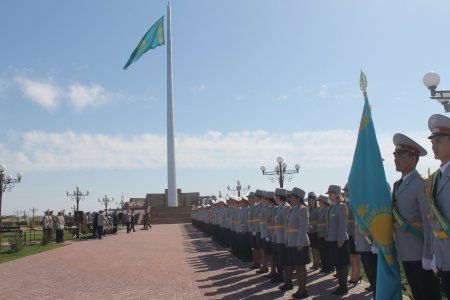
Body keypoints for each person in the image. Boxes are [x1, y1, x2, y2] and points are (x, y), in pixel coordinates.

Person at [391, 133, 441, 300]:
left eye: (400, 155)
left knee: (428, 293)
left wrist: (428, 254)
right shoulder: (397, 185)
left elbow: (428, 222)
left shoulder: (422, 184)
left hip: (420, 250)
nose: (395, 159)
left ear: (413, 159)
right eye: (395, 155)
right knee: (417, 292)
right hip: (405, 250)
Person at [427, 114, 450, 299]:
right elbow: (434, 221)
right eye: (433, 141)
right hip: (443, 255)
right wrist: (435, 255)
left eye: (439, 141)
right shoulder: (435, 178)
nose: (434, 145)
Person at [285, 187, 310, 299]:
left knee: (300, 267)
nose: (290, 199)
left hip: (300, 243)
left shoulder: (303, 209)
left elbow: (303, 227)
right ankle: (301, 288)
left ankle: (302, 290)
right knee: (298, 266)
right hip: (292, 242)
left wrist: (300, 243)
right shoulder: (293, 209)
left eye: (291, 197)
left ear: (298, 198)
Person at [326, 185, 350, 296]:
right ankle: (341, 285)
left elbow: (343, 225)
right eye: (329, 194)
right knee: (337, 264)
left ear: (337, 194)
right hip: (332, 240)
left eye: (331, 193)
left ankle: (343, 287)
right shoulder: (332, 206)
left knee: (342, 264)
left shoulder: (342, 206)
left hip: (340, 241)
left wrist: (340, 240)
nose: (329, 195)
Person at [273, 188, 292, 290]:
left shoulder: (286, 207)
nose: (274, 198)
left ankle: (288, 283)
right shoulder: (280, 207)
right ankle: (281, 278)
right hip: (278, 238)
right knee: (281, 260)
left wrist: (286, 240)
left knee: (286, 262)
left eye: (275, 196)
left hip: (283, 240)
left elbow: (286, 226)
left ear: (279, 196)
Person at [342, 184, 362, 284]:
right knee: (351, 254)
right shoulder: (346, 202)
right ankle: (354, 274)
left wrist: (354, 233)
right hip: (348, 232)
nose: (344, 192)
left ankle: (358, 274)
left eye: (345, 190)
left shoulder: (353, 202)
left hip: (353, 232)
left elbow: (355, 219)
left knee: (356, 255)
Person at [317, 195, 333, 274]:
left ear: (324, 202)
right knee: (322, 252)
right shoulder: (321, 210)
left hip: (325, 233)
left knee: (326, 252)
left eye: (319, 201)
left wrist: (327, 233)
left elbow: (327, 223)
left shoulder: (327, 209)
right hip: (320, 233)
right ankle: (324, 267)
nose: (318, 203)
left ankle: (328, 268)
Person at [307, 192, 321, 270]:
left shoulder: (318, 208)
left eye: (312, 200)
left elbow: (319, 219)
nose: (311, 201)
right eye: (309, 200)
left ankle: (317, 262)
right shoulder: (308, 208)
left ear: (315, 200)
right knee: (312, 248)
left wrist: (314, 225)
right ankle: (314, 262)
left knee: (316, 248)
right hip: (310, 230)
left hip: (316, 230)